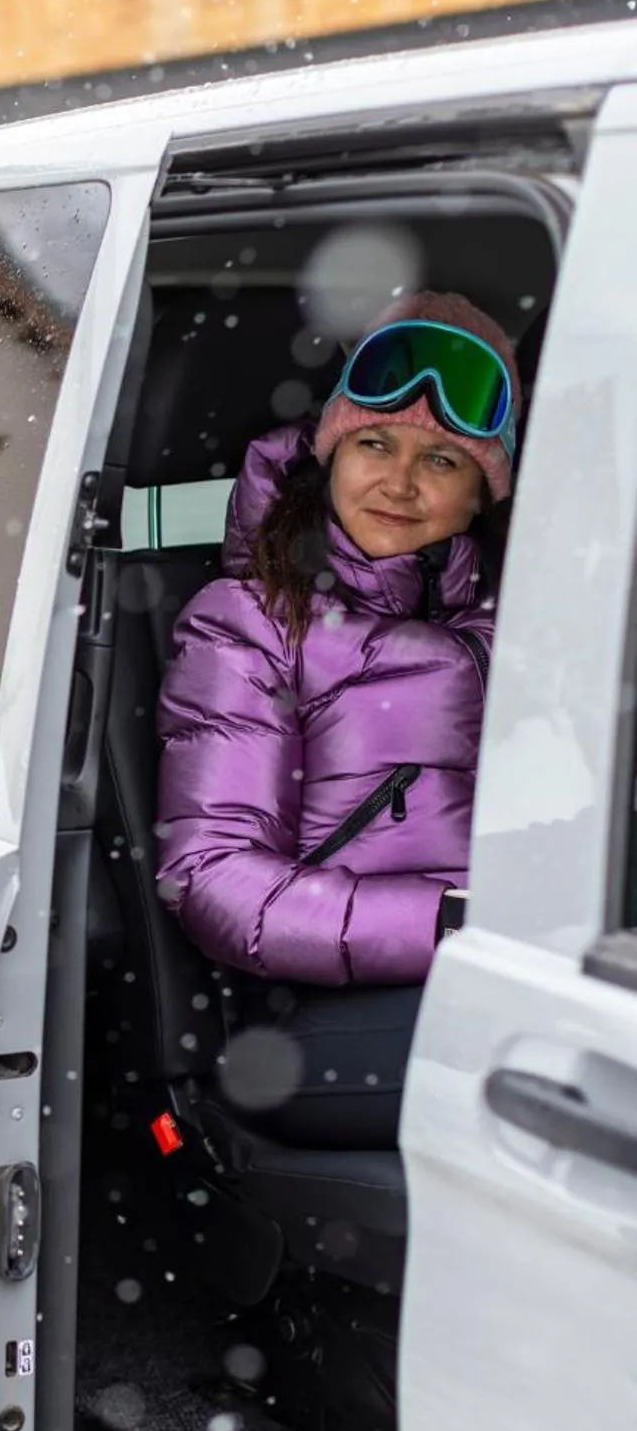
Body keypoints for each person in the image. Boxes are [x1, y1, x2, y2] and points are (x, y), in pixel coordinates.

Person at [155, 291, 522, 1147]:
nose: (397, 482)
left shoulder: (515, 622)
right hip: (316, 1009)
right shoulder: (249, 620)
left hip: (498, 969)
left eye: (440, 462)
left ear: (479, 493)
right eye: (373, 443)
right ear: (329, 455)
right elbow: (212, 875)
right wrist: (446, 923)